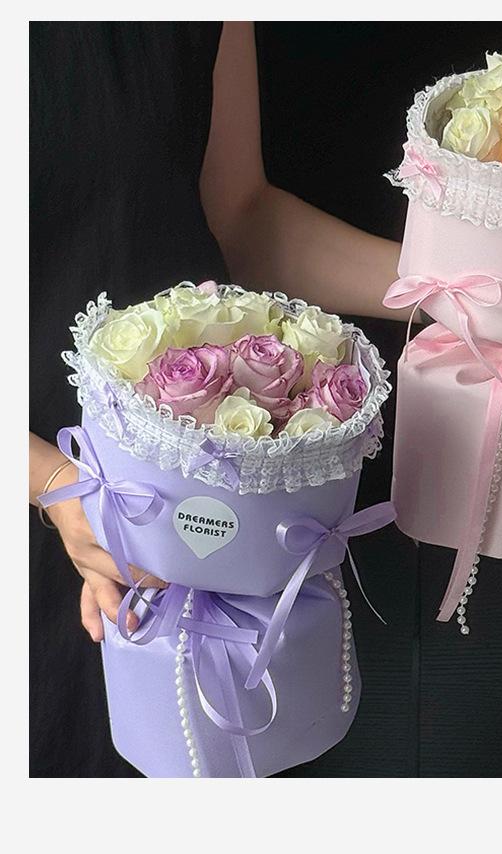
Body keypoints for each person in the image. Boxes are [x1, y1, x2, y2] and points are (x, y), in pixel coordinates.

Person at [29, 22, 406, 658]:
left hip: (198, 506)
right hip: (53, 501)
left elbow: (241, 218)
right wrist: (57, 485)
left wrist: (461, 293)